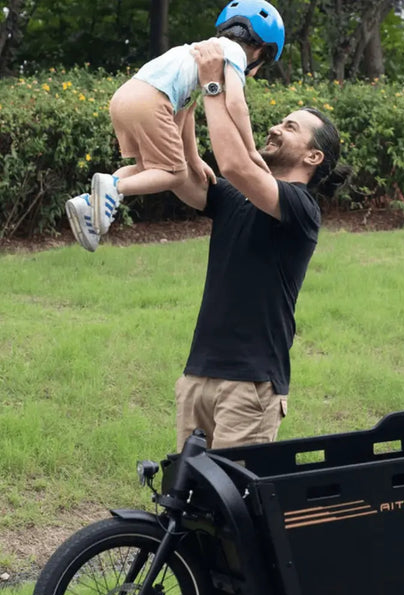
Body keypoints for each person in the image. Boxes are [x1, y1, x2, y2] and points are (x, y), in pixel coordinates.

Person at [172, 39, 352, 451]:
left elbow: (233, 163)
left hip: (250, 385)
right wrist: (188, 97)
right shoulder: (237, 197)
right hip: (198, 373)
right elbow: (183, 174)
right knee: (187, 503)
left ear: (313, 158)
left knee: (233, 508)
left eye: (291, 128)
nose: (276, 127)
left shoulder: (300, 209)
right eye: (282, 121)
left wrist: (214, 84)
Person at [65, 0, 285, 253]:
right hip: (151, 102)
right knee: (175, 175)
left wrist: (194, 158)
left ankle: (88, 203)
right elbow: (236, 103)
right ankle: (115, 187)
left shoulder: (197, 52)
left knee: (149, 168)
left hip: (125, 97)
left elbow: (186, 114)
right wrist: (251, 151)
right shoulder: (234, 53)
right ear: (260, 51)